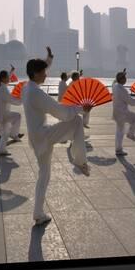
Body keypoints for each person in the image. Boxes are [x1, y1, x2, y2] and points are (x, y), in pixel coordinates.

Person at [22, 47, 90, 225]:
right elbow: (61, 113)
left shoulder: (26, 87)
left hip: (36, 137)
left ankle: (38, 213)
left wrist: (48, 59)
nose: (46, 75)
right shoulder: (36, 93)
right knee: (75, 121)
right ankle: (80, 161)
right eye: (44, 72)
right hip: (44, 135)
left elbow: (38, 70)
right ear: (36, 73)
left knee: (44, 175)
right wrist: (82, 108)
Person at [112, 70, 135, 156]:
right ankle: (130, 134)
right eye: (124, 78)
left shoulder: (115, 86)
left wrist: (122, 73)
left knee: (119, 131)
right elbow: (131, 102)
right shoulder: (122, 90)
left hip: (116, 112)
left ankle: (118, 149)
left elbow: (114, 81)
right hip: (122, 113)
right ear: (121, 79)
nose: (126, 79)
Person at [0, 70, 24, 156]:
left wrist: (11, 72)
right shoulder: (3, 89)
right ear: (3, 78)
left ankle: (2, 150)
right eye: (8, 77)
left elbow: (10, 97)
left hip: (1, 114)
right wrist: (22, 99)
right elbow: (12, 100)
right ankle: (14, 134)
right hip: (3, 114)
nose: (9, 78)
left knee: (5, 132)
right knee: (17, 116)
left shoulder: (1, 86)